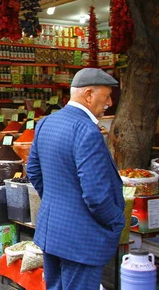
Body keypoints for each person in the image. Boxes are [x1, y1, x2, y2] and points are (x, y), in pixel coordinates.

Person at [27, 68, 124, 290]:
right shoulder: (87, 130)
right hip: (81, 238)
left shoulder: (46, 123)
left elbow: (33, 170)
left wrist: (56, 200)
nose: (109, 102)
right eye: (106, 96)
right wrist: (117, 219)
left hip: (53, 231)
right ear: (89, 94)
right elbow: (96, 195)